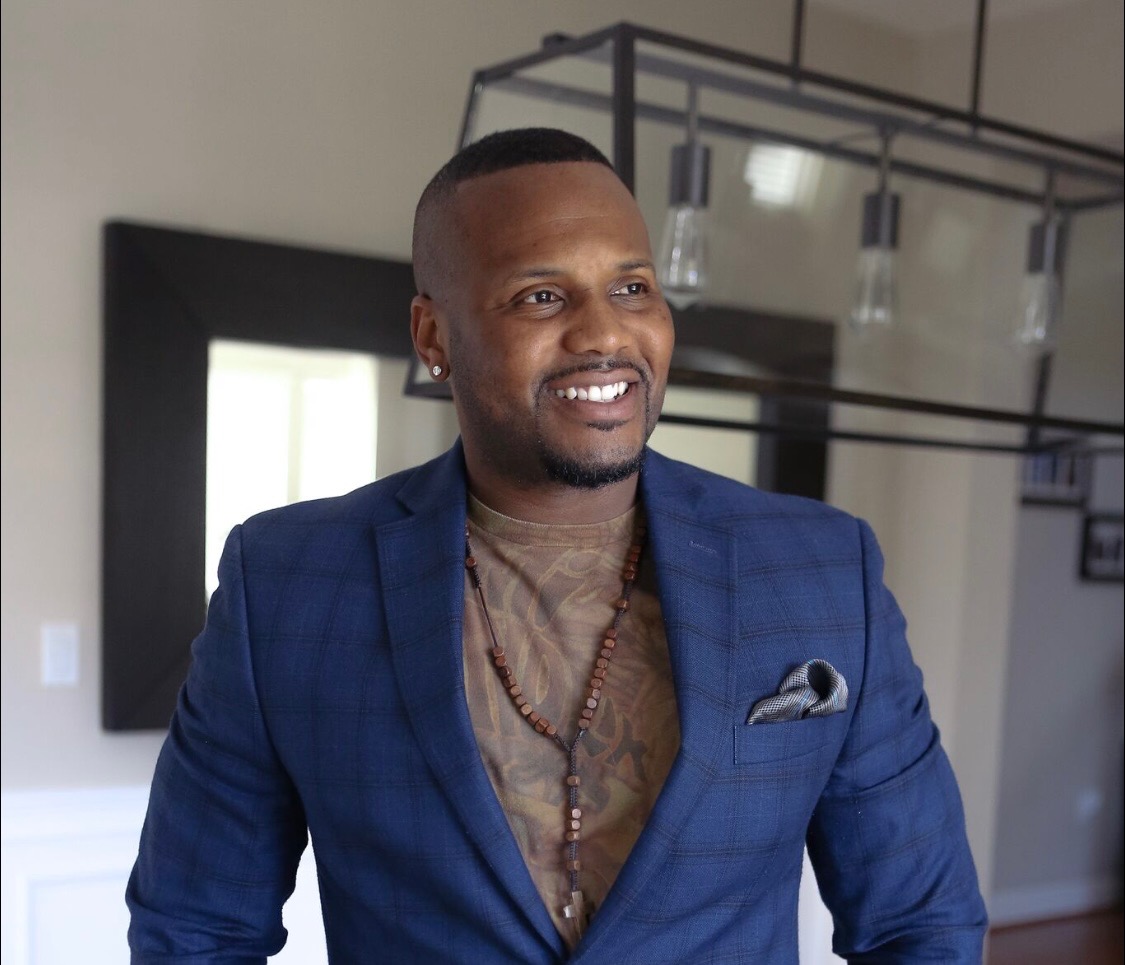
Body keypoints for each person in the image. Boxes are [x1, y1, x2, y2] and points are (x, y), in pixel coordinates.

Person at [127, 128, 987, 963]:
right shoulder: (287, 583)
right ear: (433, 337)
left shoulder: (821, 568)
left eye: (632, 287)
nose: (605, 334)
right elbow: (196, 930)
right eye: (541, 296)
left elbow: (920, 923)